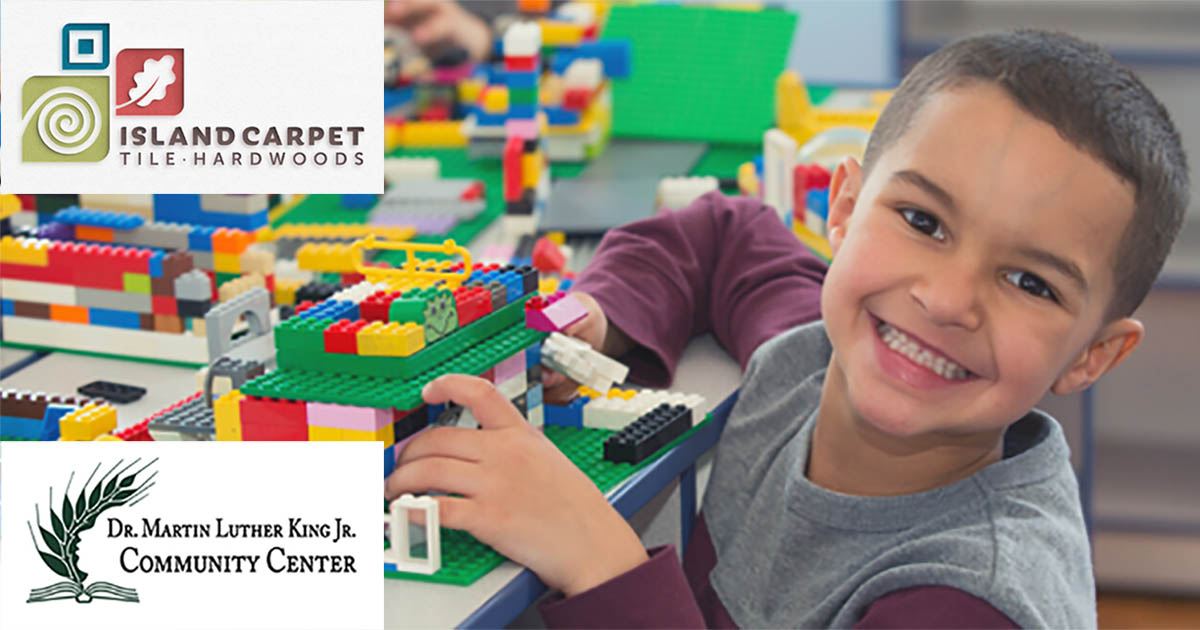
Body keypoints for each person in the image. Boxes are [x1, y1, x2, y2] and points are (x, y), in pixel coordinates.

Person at [386, 29, 1189, 627]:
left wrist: (600, 562)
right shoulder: (814, 356)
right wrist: (597, 323)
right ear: (841, 209)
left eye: (1029, 282)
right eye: (921, 219)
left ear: (1093, 354)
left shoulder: (970, 599)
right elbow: (725, 234)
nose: (946, 299)